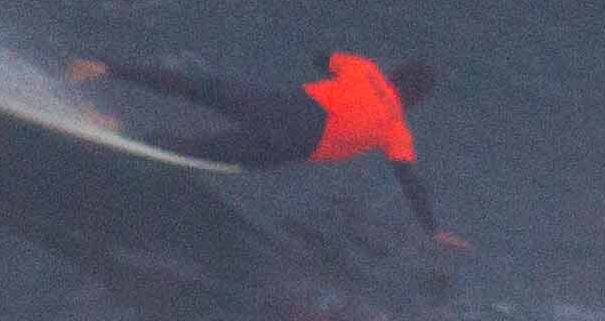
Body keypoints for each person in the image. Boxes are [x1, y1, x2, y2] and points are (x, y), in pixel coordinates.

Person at [67, 51, 461, 246]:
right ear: (416, 100)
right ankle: (114, 128)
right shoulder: (396, 129)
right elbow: (410, 182)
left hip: (281, 104)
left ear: (395, 73)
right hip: (290, 142)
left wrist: (343, 78)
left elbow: (323, 58)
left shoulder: (364, 68)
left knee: (197, 87)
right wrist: (434, 230)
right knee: (195, 150)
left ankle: (104, 68)